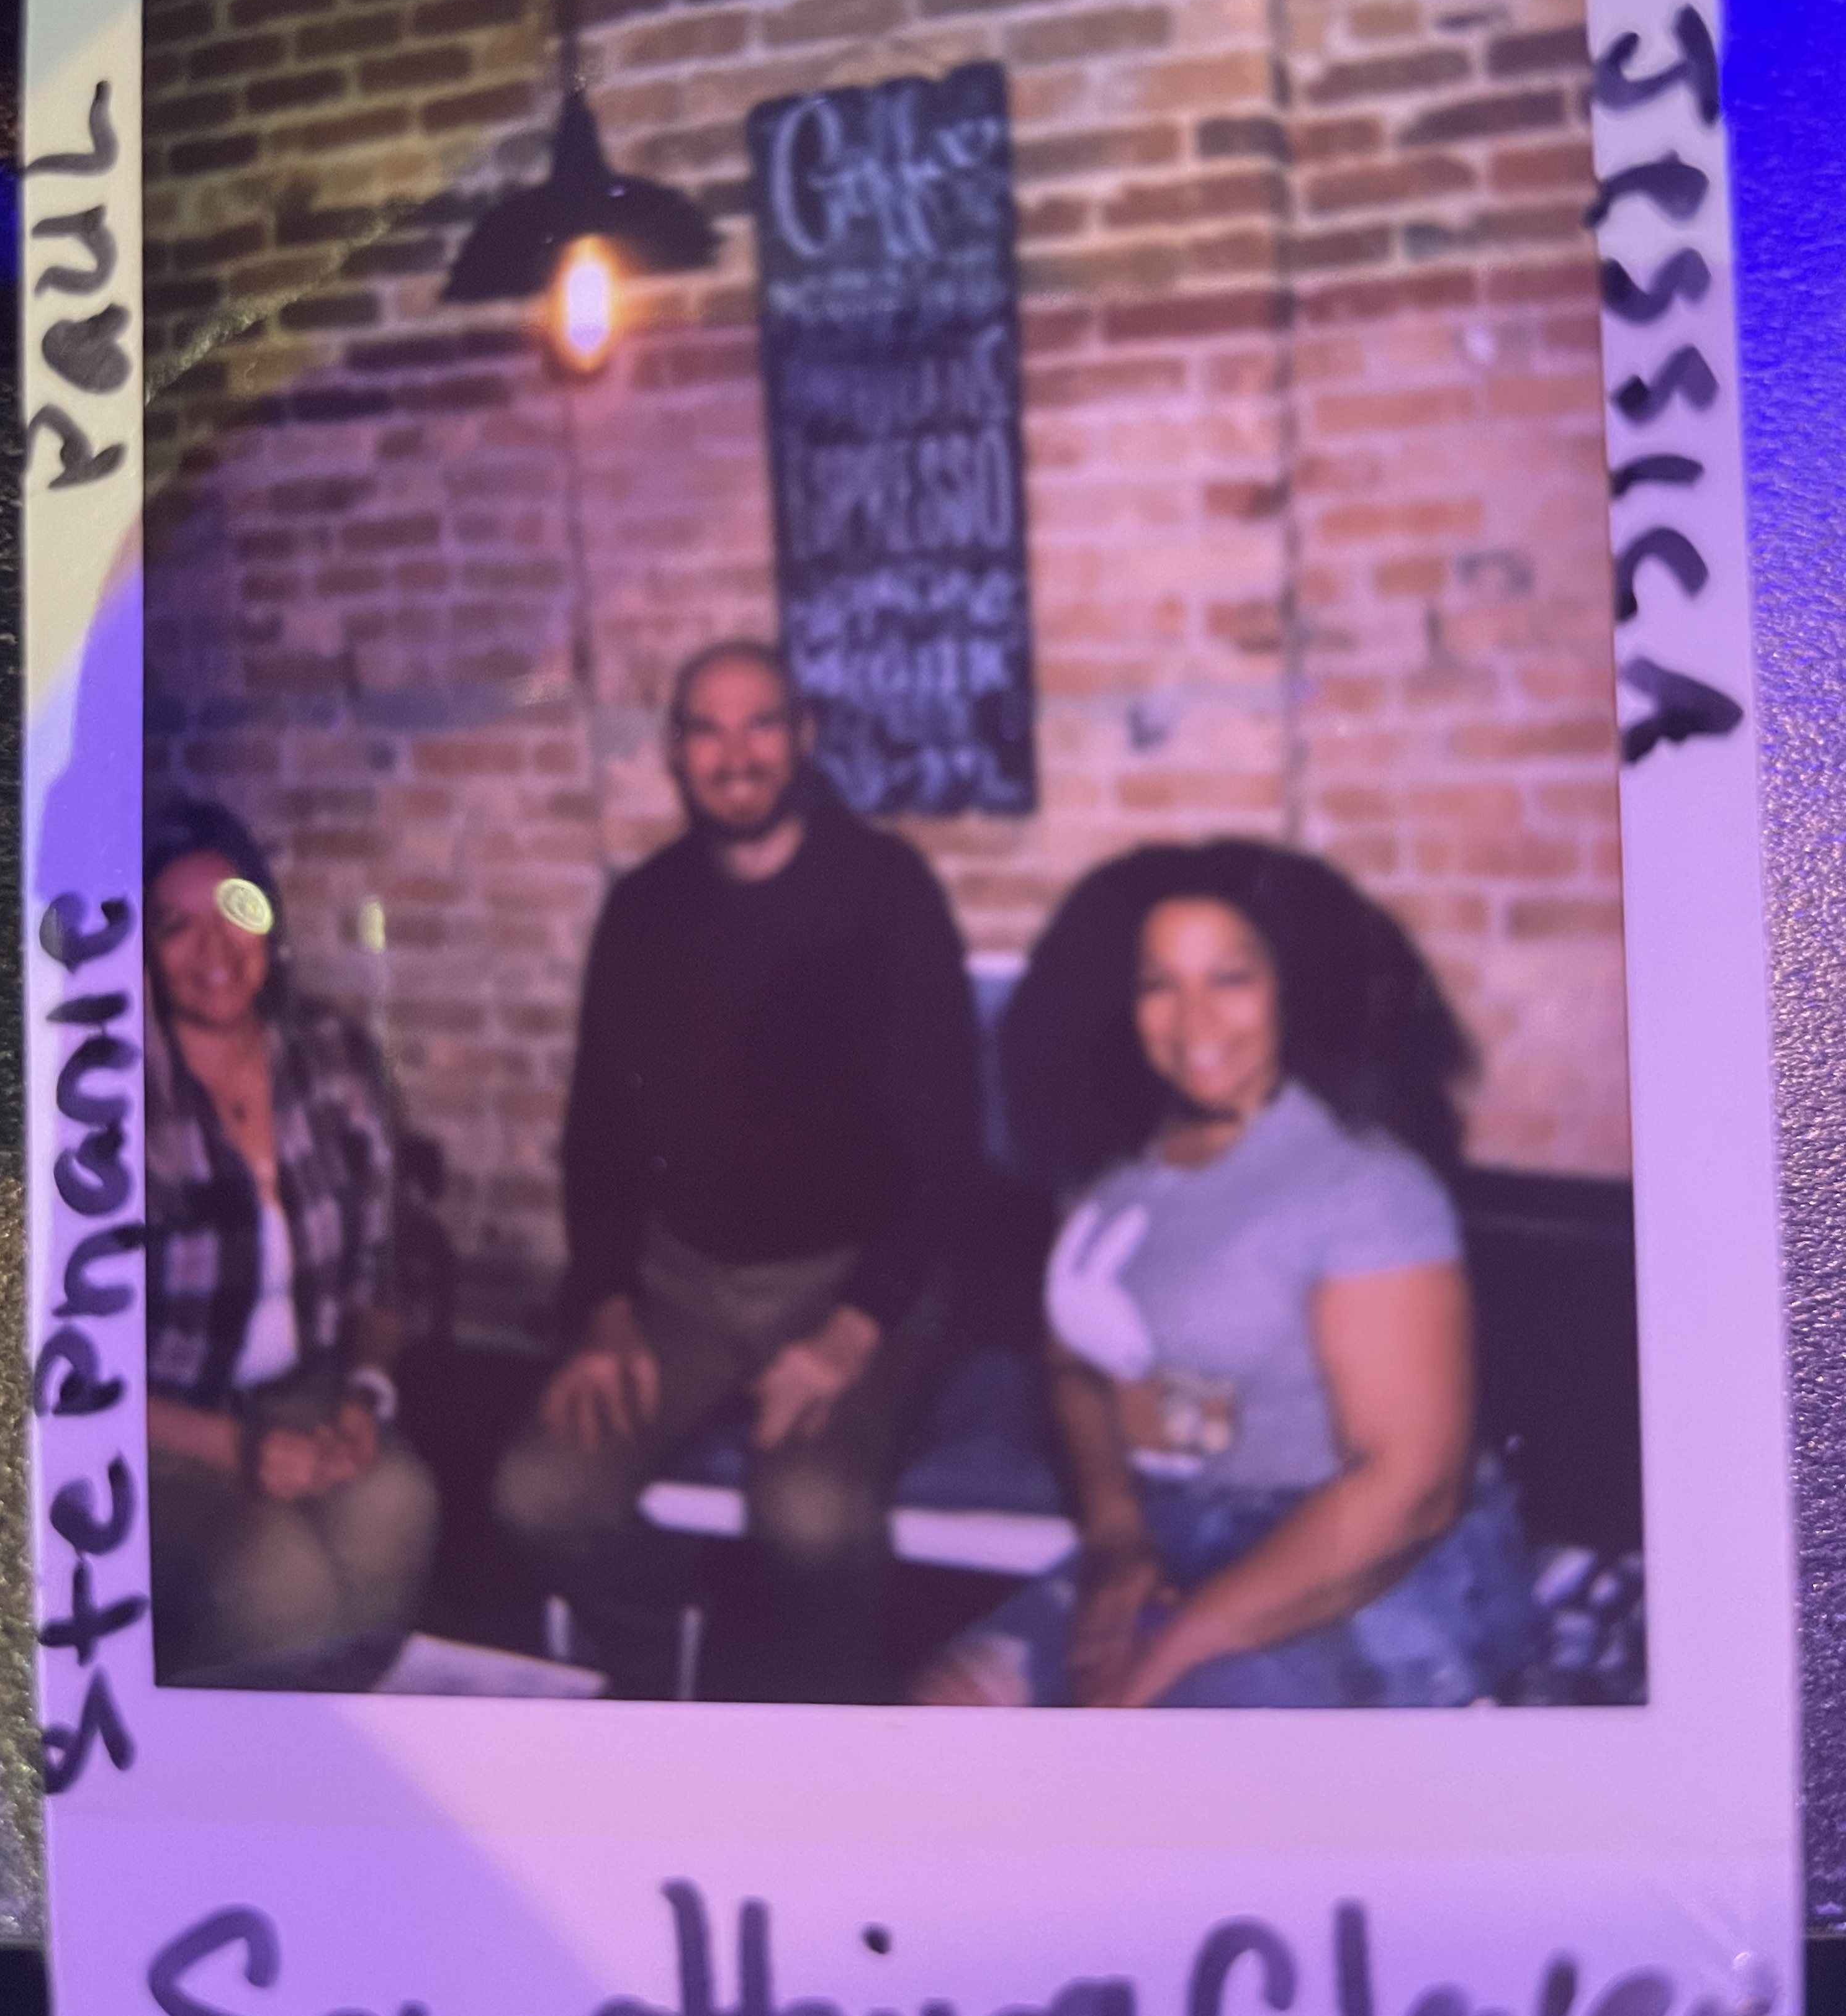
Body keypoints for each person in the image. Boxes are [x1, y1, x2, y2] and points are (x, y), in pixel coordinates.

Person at [916, 839, 1534, 1709]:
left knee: (1168, 1749)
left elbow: (1413, 1489)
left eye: (1230, 979)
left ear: (1292, 986)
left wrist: (1173, 1649)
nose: (1193, 1020)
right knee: (944, 1707)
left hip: (1366, 1563)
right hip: (1180, 1534)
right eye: (1159, 983)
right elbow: (1075, 1368)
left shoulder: (1364, 1183)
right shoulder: (1113, 1173)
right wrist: (1117, 1531)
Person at [493, 640, 981, 1701]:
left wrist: (852, 1332)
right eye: (708, 731)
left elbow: (949, 1146)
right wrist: (607, 1308)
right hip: (685, 1284)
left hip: (857, 1277)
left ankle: (845, 1721)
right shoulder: (644, 909)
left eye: (761, 723)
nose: (737, 755)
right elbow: (599, 1134)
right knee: (539, 1494)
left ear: (803, 736)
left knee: (810, 1514)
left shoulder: (886, 891)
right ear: (675, 753)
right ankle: (671, 1639)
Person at [143, 798, 438, 1688]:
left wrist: (364, 1395)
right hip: (154, 1430)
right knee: (280, 1588)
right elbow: (59, 1368)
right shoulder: (105, 1097)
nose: (215, 949)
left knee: (400, 1507)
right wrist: (234, 1449)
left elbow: (387, 1262)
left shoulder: (333, 1056)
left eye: (235, 911)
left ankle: (346, 1747)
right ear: (139, 949)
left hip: (305, 1393)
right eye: (175, 927)